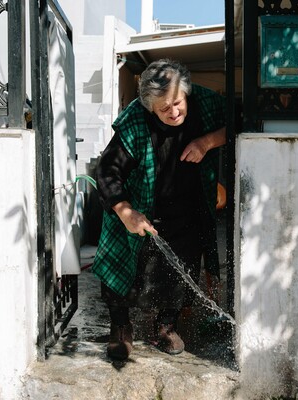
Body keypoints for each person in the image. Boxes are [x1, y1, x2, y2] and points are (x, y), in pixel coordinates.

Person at [91, 59, 226, 361]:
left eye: (178, 103)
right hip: (138, 206)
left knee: (181, 268)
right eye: (164, 109)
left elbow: (242, 123)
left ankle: (165, 326)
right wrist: (125, 212)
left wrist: (207, 142)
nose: (174, 112)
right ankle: (121, 327)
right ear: (149, 106)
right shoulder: (134, 121)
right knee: (123, 269)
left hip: (187, 204)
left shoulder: (205, 102)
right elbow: (107, 171)